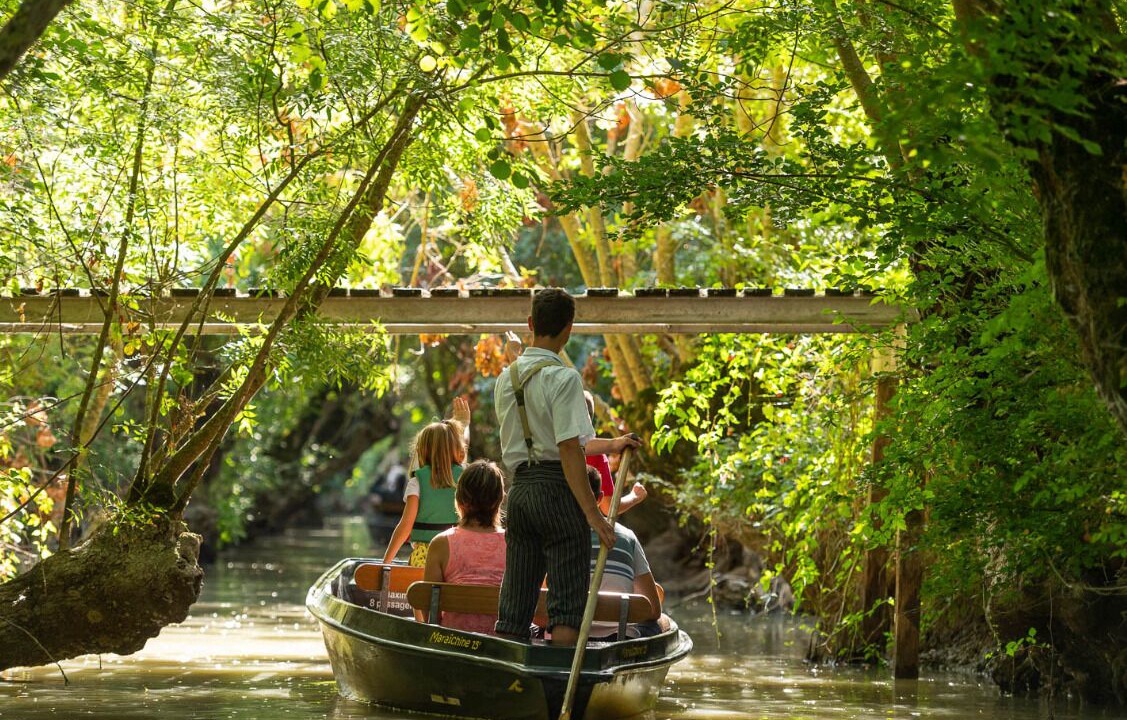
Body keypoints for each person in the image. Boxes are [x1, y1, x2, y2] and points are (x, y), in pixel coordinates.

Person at [493, 288, 641, 645]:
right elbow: (568, 450)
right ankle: (559, 681)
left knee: (516, 600)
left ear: (531, 324)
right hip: (559, 492)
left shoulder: (505, 379)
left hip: (522, 492)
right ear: (569, 329)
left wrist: (613, 443)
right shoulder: (565, 378)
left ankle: (512, 679)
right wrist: (594, 516)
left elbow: (573, 442)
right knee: (566, 601)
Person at [383, 397, 471, 567]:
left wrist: (385, 563)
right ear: (458, 450)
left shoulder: (417, 483)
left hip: (425, 557)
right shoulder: (466, 479)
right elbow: (463, 449)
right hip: (458, 556)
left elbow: (405, 527)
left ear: (422, 451)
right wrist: (464, 425)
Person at [423, 459, 507, 634]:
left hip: (452, 640)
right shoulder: (513, 543)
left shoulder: (441, 543)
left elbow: (428, 610)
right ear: (498, 501)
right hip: (501, 643)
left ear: (459, 499)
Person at [585, 466, 663, 638]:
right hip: (620, 637)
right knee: (661, 622)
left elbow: (541, 616)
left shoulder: (556, 536)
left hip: (568, 636)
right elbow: (653, 609)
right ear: (599, 499)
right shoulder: (627, 537)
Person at [583, 390, 648, 516]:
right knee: (627, 536)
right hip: (581, 525)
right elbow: (608, 508)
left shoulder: (546, 442)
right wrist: (635, 496)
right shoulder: (596, 453)